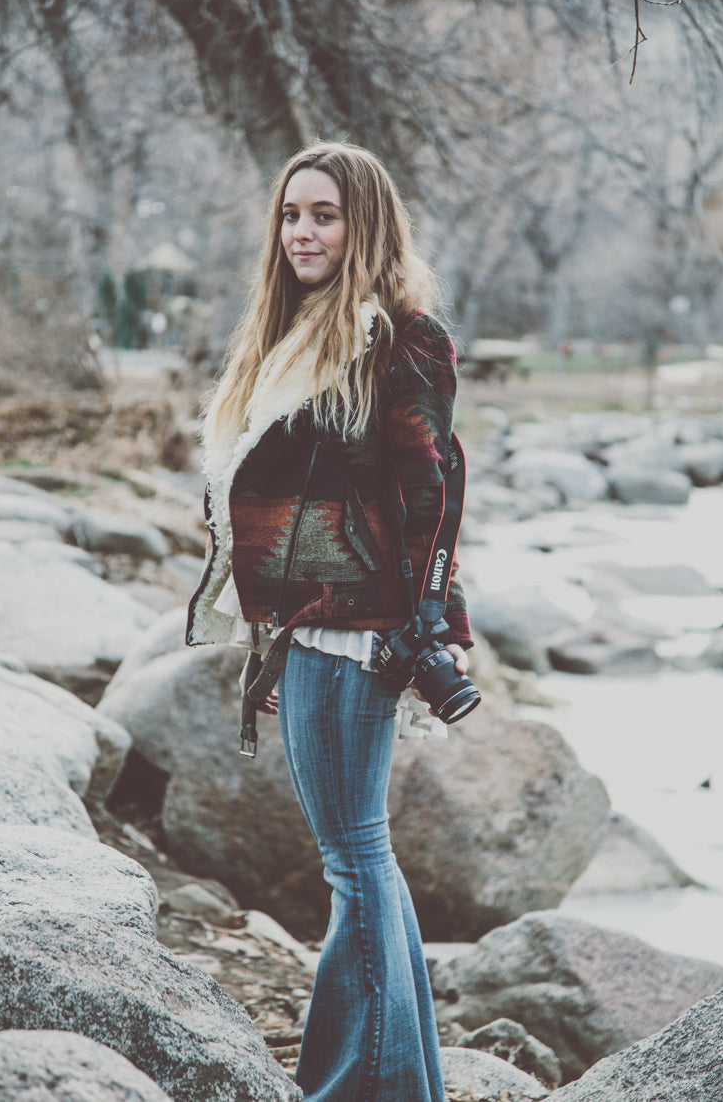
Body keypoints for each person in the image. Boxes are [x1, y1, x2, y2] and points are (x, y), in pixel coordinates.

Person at [187, 141, 473, 1102]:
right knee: (360, 858)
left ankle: (367, 1084)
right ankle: (401, 1079)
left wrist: (424, 628)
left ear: (367, 225)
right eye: (292, 214)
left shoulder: (400, 338)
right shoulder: (294, 330)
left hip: (363, 636)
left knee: (356, 858)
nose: (303, 232)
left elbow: (432, 495)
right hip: (308, 626)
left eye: (325, 215)